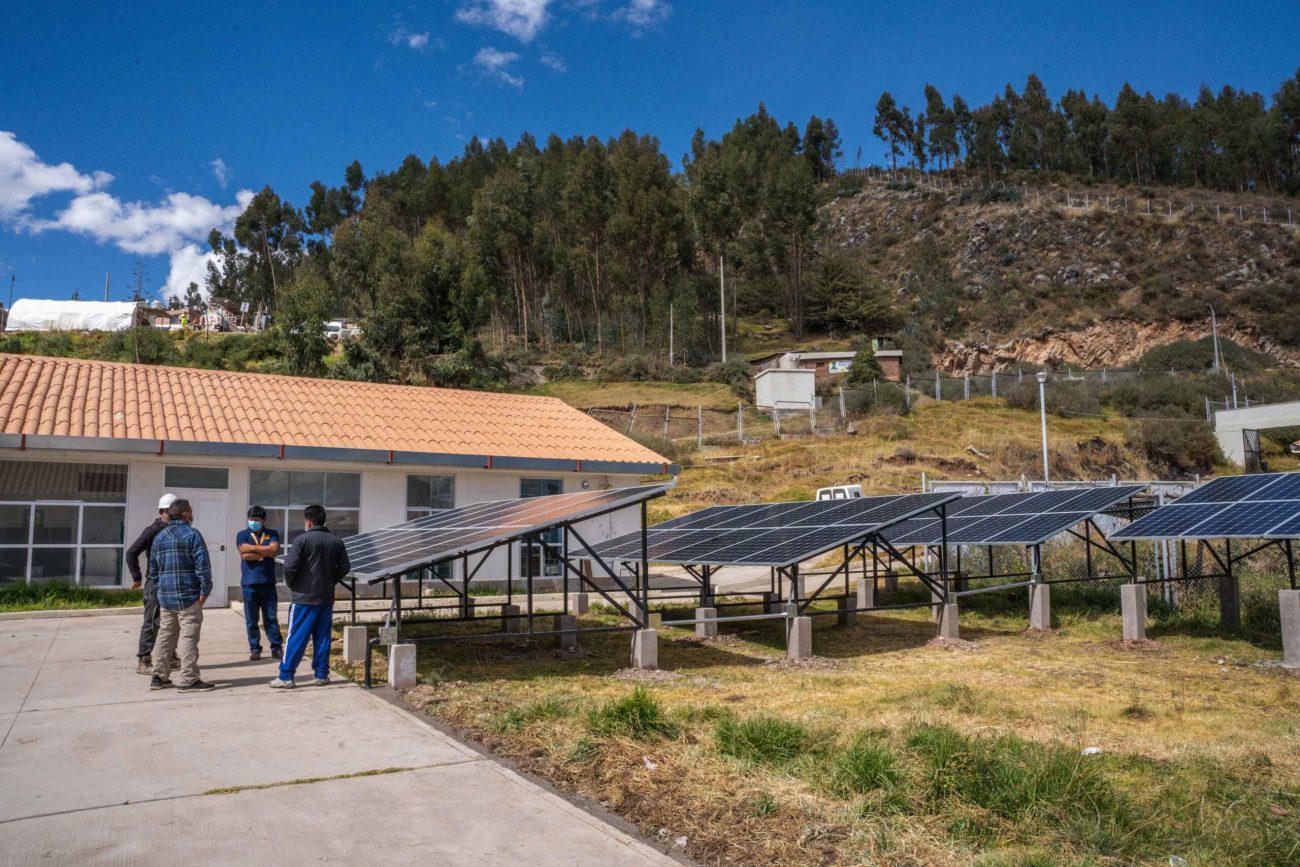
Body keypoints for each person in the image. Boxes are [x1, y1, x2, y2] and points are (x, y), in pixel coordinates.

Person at [270, 504, 350, 689]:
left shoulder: (302, 540)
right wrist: (330, 581)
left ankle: (286, 676)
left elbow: (290, 567)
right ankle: (321, 675)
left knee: (296, 637)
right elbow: (345, 567)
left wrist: (294, 585)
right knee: (322, 637)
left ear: (308, 521)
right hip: (325, 598)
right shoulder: (336, 541)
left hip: (304, 598)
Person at [149, 498, 215, 693]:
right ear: (186, 514)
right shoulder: (192, 535)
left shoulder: (159, 537)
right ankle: (189, 679)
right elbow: (203, 567)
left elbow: (153, 571)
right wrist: (204, 592)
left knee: (165, 635)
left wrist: (162, 590)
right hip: (188, 598)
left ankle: (158, 676)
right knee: (188, 637)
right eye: (191, 511)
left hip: (166, 598)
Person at [126, 493, 180, 675]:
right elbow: (131, 552)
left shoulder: (178, 529)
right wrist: (137, 577)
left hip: (172, 583)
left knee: (172, 621)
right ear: (162, 511)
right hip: (155, 583)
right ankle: (144, 660)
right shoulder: (153, 530)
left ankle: (170, 656)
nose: (173, 514)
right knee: (152, 621)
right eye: (170, 511)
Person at [236, 506, 283, 661]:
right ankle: (255, 648)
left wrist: (253, 548)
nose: (253, 522)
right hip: (249, 583)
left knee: (271, 617)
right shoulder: (242, 535)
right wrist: (264, 552)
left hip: (268, 582)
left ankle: (276, 647)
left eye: (256, 520)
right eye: (251, 519)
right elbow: (244, 555)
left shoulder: (272, 533)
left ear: (263, 520)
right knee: (251, 619)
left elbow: (274, 549)